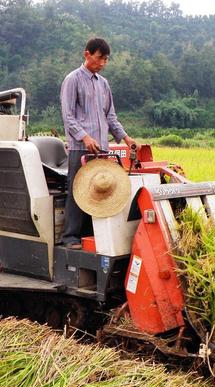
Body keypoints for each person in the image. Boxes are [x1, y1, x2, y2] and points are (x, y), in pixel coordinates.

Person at [60, 37, 137, 249]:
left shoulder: (103, 84)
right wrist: (84, 136)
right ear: (87, 54)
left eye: (106, 60)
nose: (102, 63)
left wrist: (125, 137)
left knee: (100, 190)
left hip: (102, 147)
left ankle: (92, 234)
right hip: (80, 147)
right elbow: (68, 116)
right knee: (78, 189)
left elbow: (110, 116)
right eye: (99, 58)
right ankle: (70, 237)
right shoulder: (72, 79)